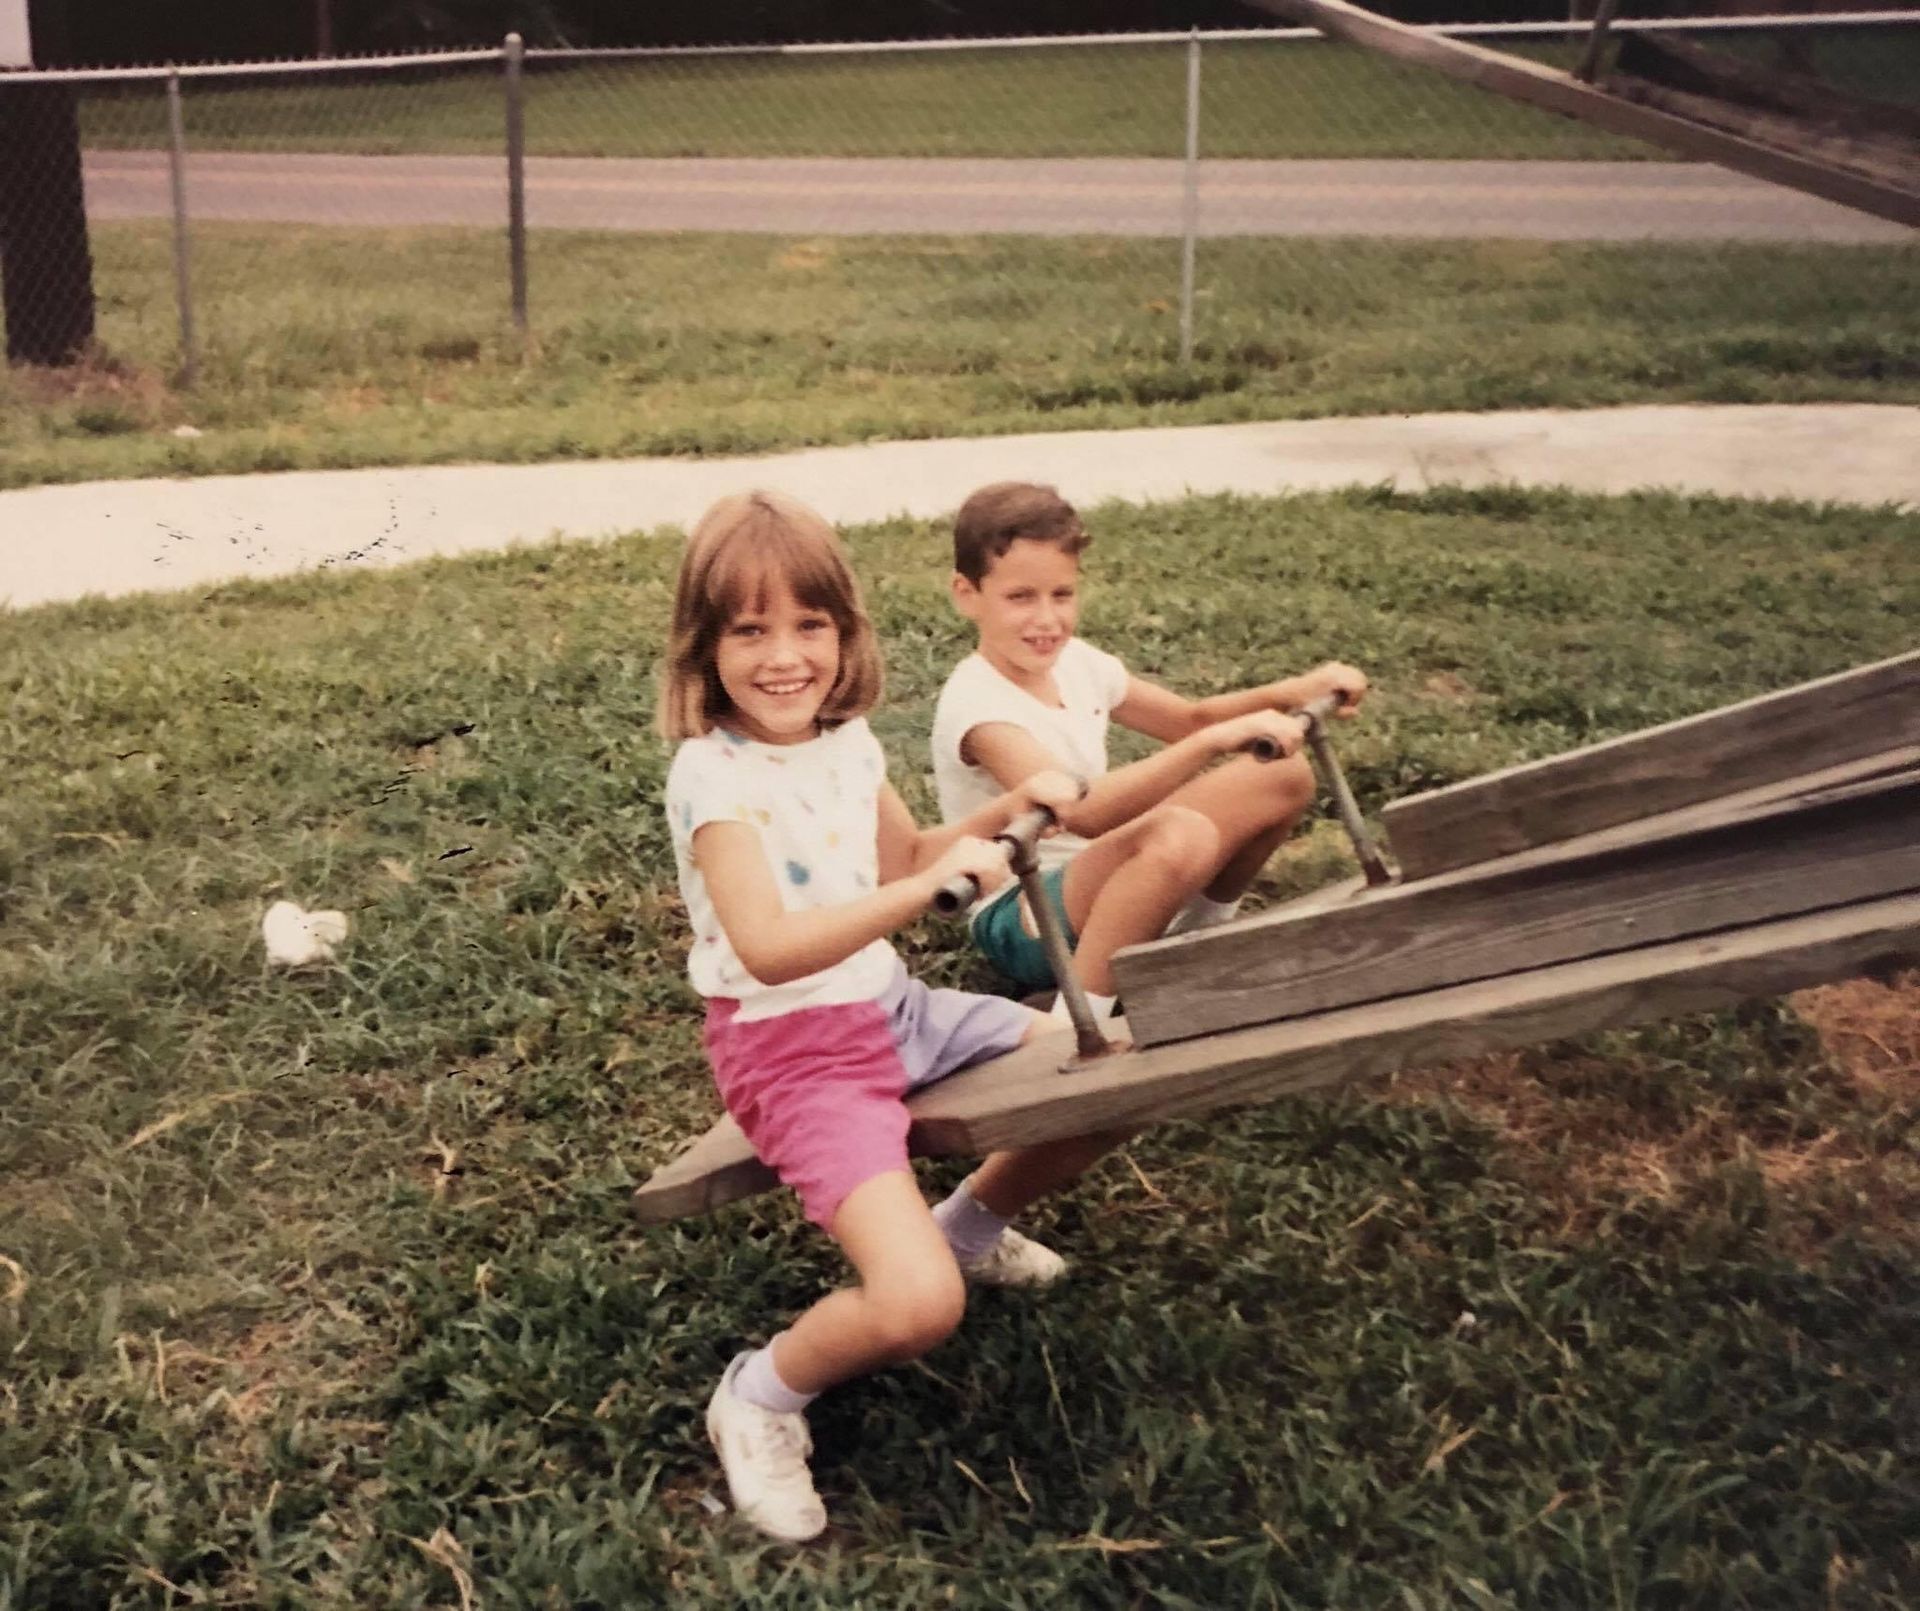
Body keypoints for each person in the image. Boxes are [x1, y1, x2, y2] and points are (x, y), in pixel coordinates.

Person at [660, 489, 1123, 1543]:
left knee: (1108, 1061)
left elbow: (904, 861)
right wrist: (922, 896)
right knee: (916, 1310)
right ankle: (761, 1397)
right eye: (751, 630)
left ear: (844, 633)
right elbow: (770, 947)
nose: (787, 657)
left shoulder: (847, 740)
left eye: (810, 625)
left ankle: (969, 1225)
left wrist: (1011, 808)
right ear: (704, 647)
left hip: (893, 1009)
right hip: (794, 1055)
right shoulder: (710, 778)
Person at [932, 481, 1368, 1018]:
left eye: (1062, 594)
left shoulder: (1078, 663)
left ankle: (1197, 940)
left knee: (1281, 774)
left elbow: (1188, 719)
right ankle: (1077, 1019)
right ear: (967, 594)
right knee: (1178, 832)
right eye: (1020, 597)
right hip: (1025, 913)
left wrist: (1290, 691)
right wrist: (1209, 744)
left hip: (1110, 878)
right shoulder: (979, 708)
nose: (1047, 619)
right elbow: (1083, 812)